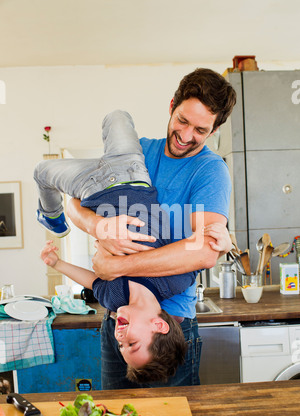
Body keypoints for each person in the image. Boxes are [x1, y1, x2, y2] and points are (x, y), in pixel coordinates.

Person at [67, 68, 237, 389]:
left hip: (170, 325)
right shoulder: (138, 151)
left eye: (200, 129)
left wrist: (118, 265)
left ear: (214, 130)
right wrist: (99, 225)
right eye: (182, 121)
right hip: (118, 317)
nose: (186, 136)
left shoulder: (210, 172)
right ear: (172, 104)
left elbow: (204, 253)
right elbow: (73, 202)